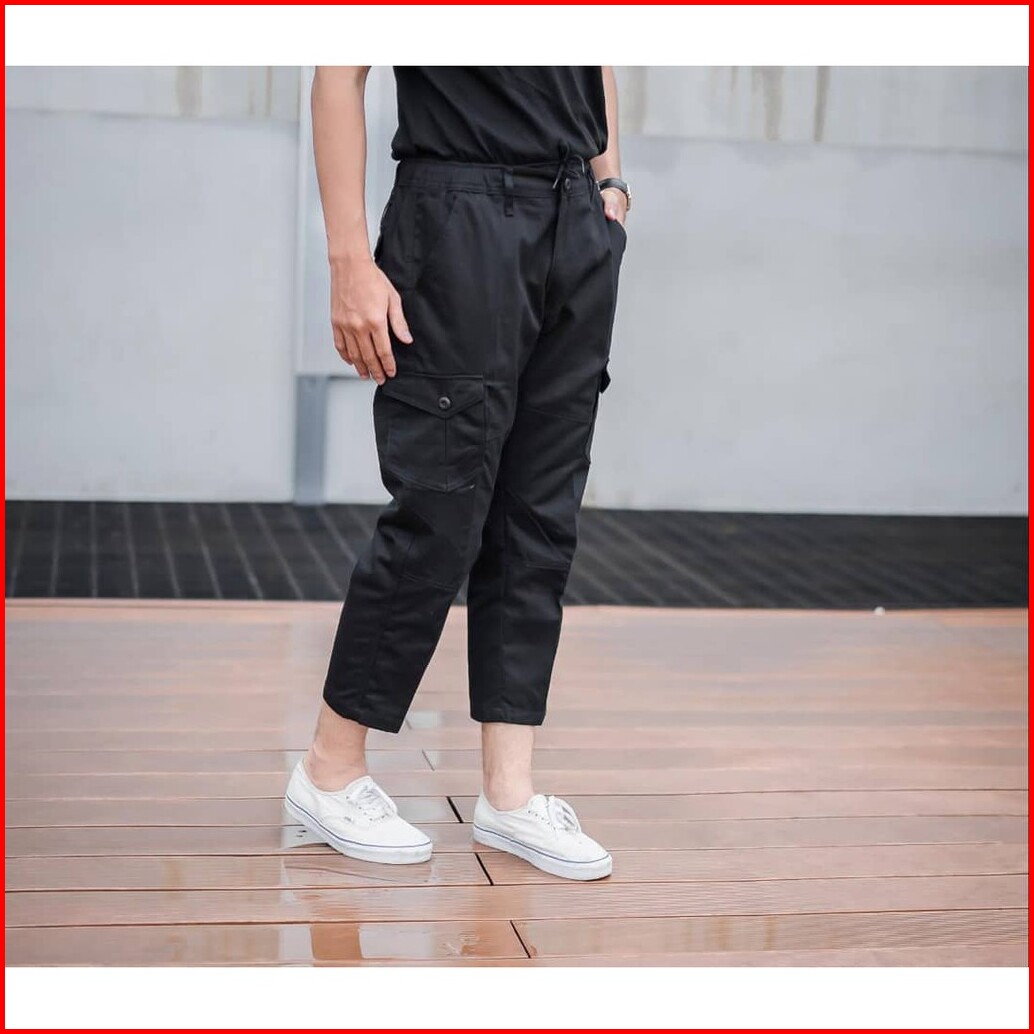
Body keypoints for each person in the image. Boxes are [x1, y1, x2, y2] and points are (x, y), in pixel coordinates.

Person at [285, 66, 630, 881]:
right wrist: (348, 261)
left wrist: (610, 183)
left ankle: (510, 795)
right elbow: (338, 71)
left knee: (539, 512)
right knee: (441, 507)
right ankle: (330, 769)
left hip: (574, 216)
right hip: (461, 213)